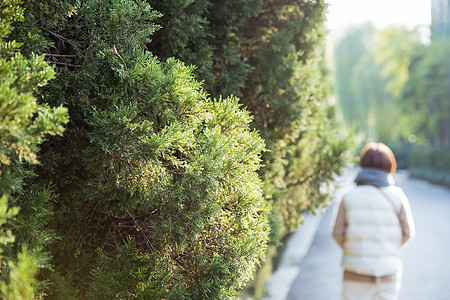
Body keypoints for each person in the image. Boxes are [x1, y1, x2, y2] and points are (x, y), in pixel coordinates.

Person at [331, 142, 415, 300]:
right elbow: (408, 233)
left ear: (363, 163)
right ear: (389, 165)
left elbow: (337, 234)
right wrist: (388, 249)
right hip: (387, 273)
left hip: (355, 272)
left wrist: (354, 249)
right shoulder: (397, 196)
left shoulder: (348, 196)